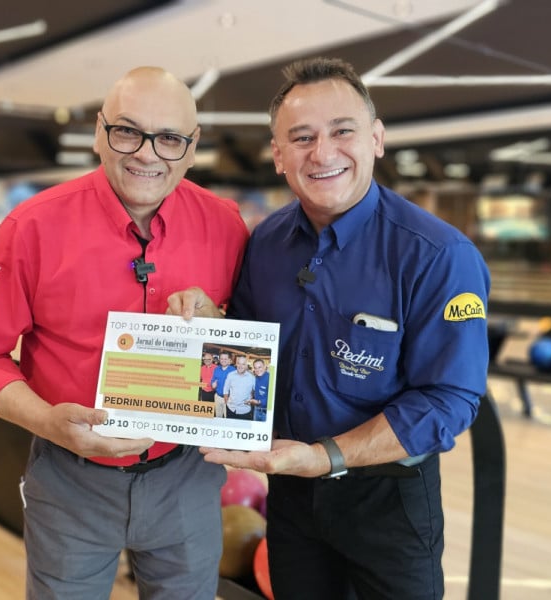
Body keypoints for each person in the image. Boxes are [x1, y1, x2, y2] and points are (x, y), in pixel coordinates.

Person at [168, 57, 490, 599]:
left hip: (387, 502)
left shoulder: (438, 255)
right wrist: (211, 324)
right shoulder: (266, 244)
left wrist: (324, 457)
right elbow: (251, 350)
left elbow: (450, 399)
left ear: (376, 139)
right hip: (291, 496)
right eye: (301, 137)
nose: (322, 153)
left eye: (342, 131)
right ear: (277, 155)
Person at [0, 66, 250, 600]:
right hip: (71, 480)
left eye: (170, 139)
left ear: (193, 148)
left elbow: (245, 351)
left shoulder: (227, 226)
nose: (148, 154)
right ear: (99, 134)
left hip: (186, 478)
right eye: (128, 131)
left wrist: (221, 323)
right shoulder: (31, 228)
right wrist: (47, 421)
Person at [222, 354, 256, 419]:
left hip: (245, 411)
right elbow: (225, 389)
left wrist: (251, 399)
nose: (240, 366)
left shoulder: (252, 378)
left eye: (243, 364)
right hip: (231, 409)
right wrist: (227, 402)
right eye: (239, 363)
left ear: (246, 366)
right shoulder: (230, 375)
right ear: (236, 364)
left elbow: (255, 391)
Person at [209, 351, 234, 418]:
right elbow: (213, 380)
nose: (223, 360)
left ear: (229, 360)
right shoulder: (216, 369)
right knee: (218, 416)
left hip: (229, 398)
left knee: (227, 417)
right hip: (217, 397)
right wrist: (212, 384)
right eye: (222, 359)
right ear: (219, 359)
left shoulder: (233, 370)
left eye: (225, 359)